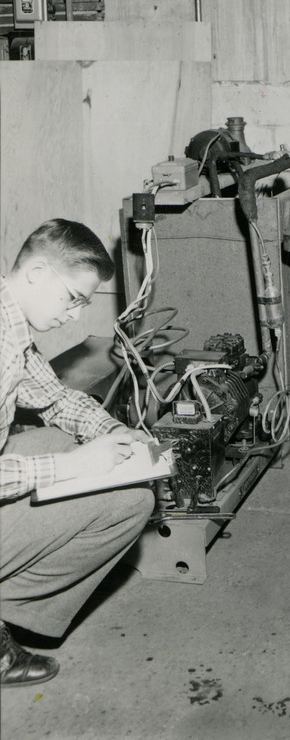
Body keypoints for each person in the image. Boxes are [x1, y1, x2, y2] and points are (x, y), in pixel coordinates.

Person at [0, 218, 155, 688]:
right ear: (38, 273)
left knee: (99, 461)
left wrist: (114, 433)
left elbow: (56, 398)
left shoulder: (12, 330)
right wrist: (71, 467)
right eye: (73, 299)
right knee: (128, 502)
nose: (74, 317)